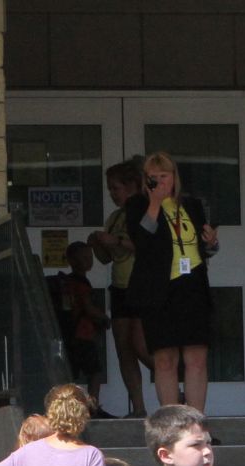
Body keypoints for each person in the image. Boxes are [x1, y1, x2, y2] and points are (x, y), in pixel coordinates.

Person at [124, 151, 219, 413]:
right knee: (165, 358)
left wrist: (211, 244)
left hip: (192, 287)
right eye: (152, 178)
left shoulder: (191, 205)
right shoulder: (137, 205)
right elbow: (142, 240)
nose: (158, 182)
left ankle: (197, 424)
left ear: (174, 177)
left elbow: (203, 247)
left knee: (196, 358)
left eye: (163, 177)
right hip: (159, 291)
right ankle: (170, 424)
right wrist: (155, 203)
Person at [87, 158, 152, 418]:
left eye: (117, 188)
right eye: (110, 189)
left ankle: (170, 380)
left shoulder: (146, 211)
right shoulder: (114, 217)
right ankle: (138, 408)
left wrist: (117, 241)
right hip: (120, 286)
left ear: (133, 186)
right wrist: (98, 244)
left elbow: (148, 246)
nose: (113, 194)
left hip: (143, 284)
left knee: (140, 344)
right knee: (123, 348)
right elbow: (106, 258)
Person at [51, 242, 109, 408]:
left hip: (72, 334)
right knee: (95, 373)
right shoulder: (80, 283)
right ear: (71, 260)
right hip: (83, 335)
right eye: (83, 257)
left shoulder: (71, 282)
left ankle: (71, 407)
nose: (88, 260)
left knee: (73, 375)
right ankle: (93, 406)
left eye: (89, 257)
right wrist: (104, 318)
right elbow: (88, 307)